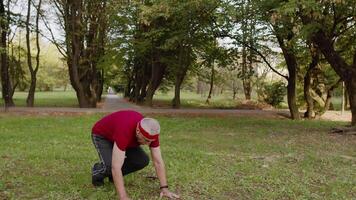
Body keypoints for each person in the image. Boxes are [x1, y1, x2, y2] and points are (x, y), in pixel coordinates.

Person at [91, 110, 180, 199]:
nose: (149, 144)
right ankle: (97, 171)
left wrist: (164, 189)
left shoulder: (151, 134)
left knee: (142, 160)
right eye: (146, 140)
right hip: (102, 136)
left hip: (124, 138)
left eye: (150, 141)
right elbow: (116, 167)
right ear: (138, 131)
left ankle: (112, 177)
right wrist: (123, 197)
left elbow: (158, 161)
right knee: (111, 166)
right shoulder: (125, 130)